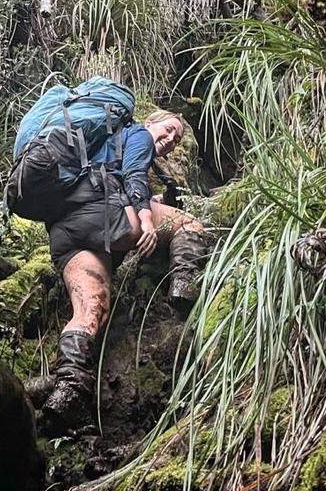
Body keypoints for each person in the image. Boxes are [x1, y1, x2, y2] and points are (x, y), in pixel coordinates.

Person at [33, 109, 211, 431]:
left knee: (92, 308)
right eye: (168, 129)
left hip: (66, 230)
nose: (170, 140)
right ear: (150, 122)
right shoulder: (137, 134)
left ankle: (68, 393)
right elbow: (133, 175)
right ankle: (184, 283)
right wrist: (145, 219)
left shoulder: (103, 147)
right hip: (104, 216)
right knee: (190, 224)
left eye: (176, 139)